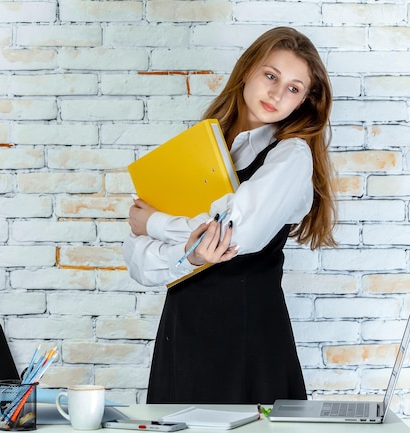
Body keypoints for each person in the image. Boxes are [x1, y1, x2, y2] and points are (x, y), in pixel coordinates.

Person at [122, 26, 337, 404]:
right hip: (182, 333)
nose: (276, 93)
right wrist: (188, 255)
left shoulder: (290, 155)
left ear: (304, 101)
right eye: (271, 76)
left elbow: (234, 234)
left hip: (248, 341)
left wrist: (153, 223)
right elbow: (138, 262)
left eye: (294, 88)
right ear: (247, 71)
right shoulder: (200, 149)